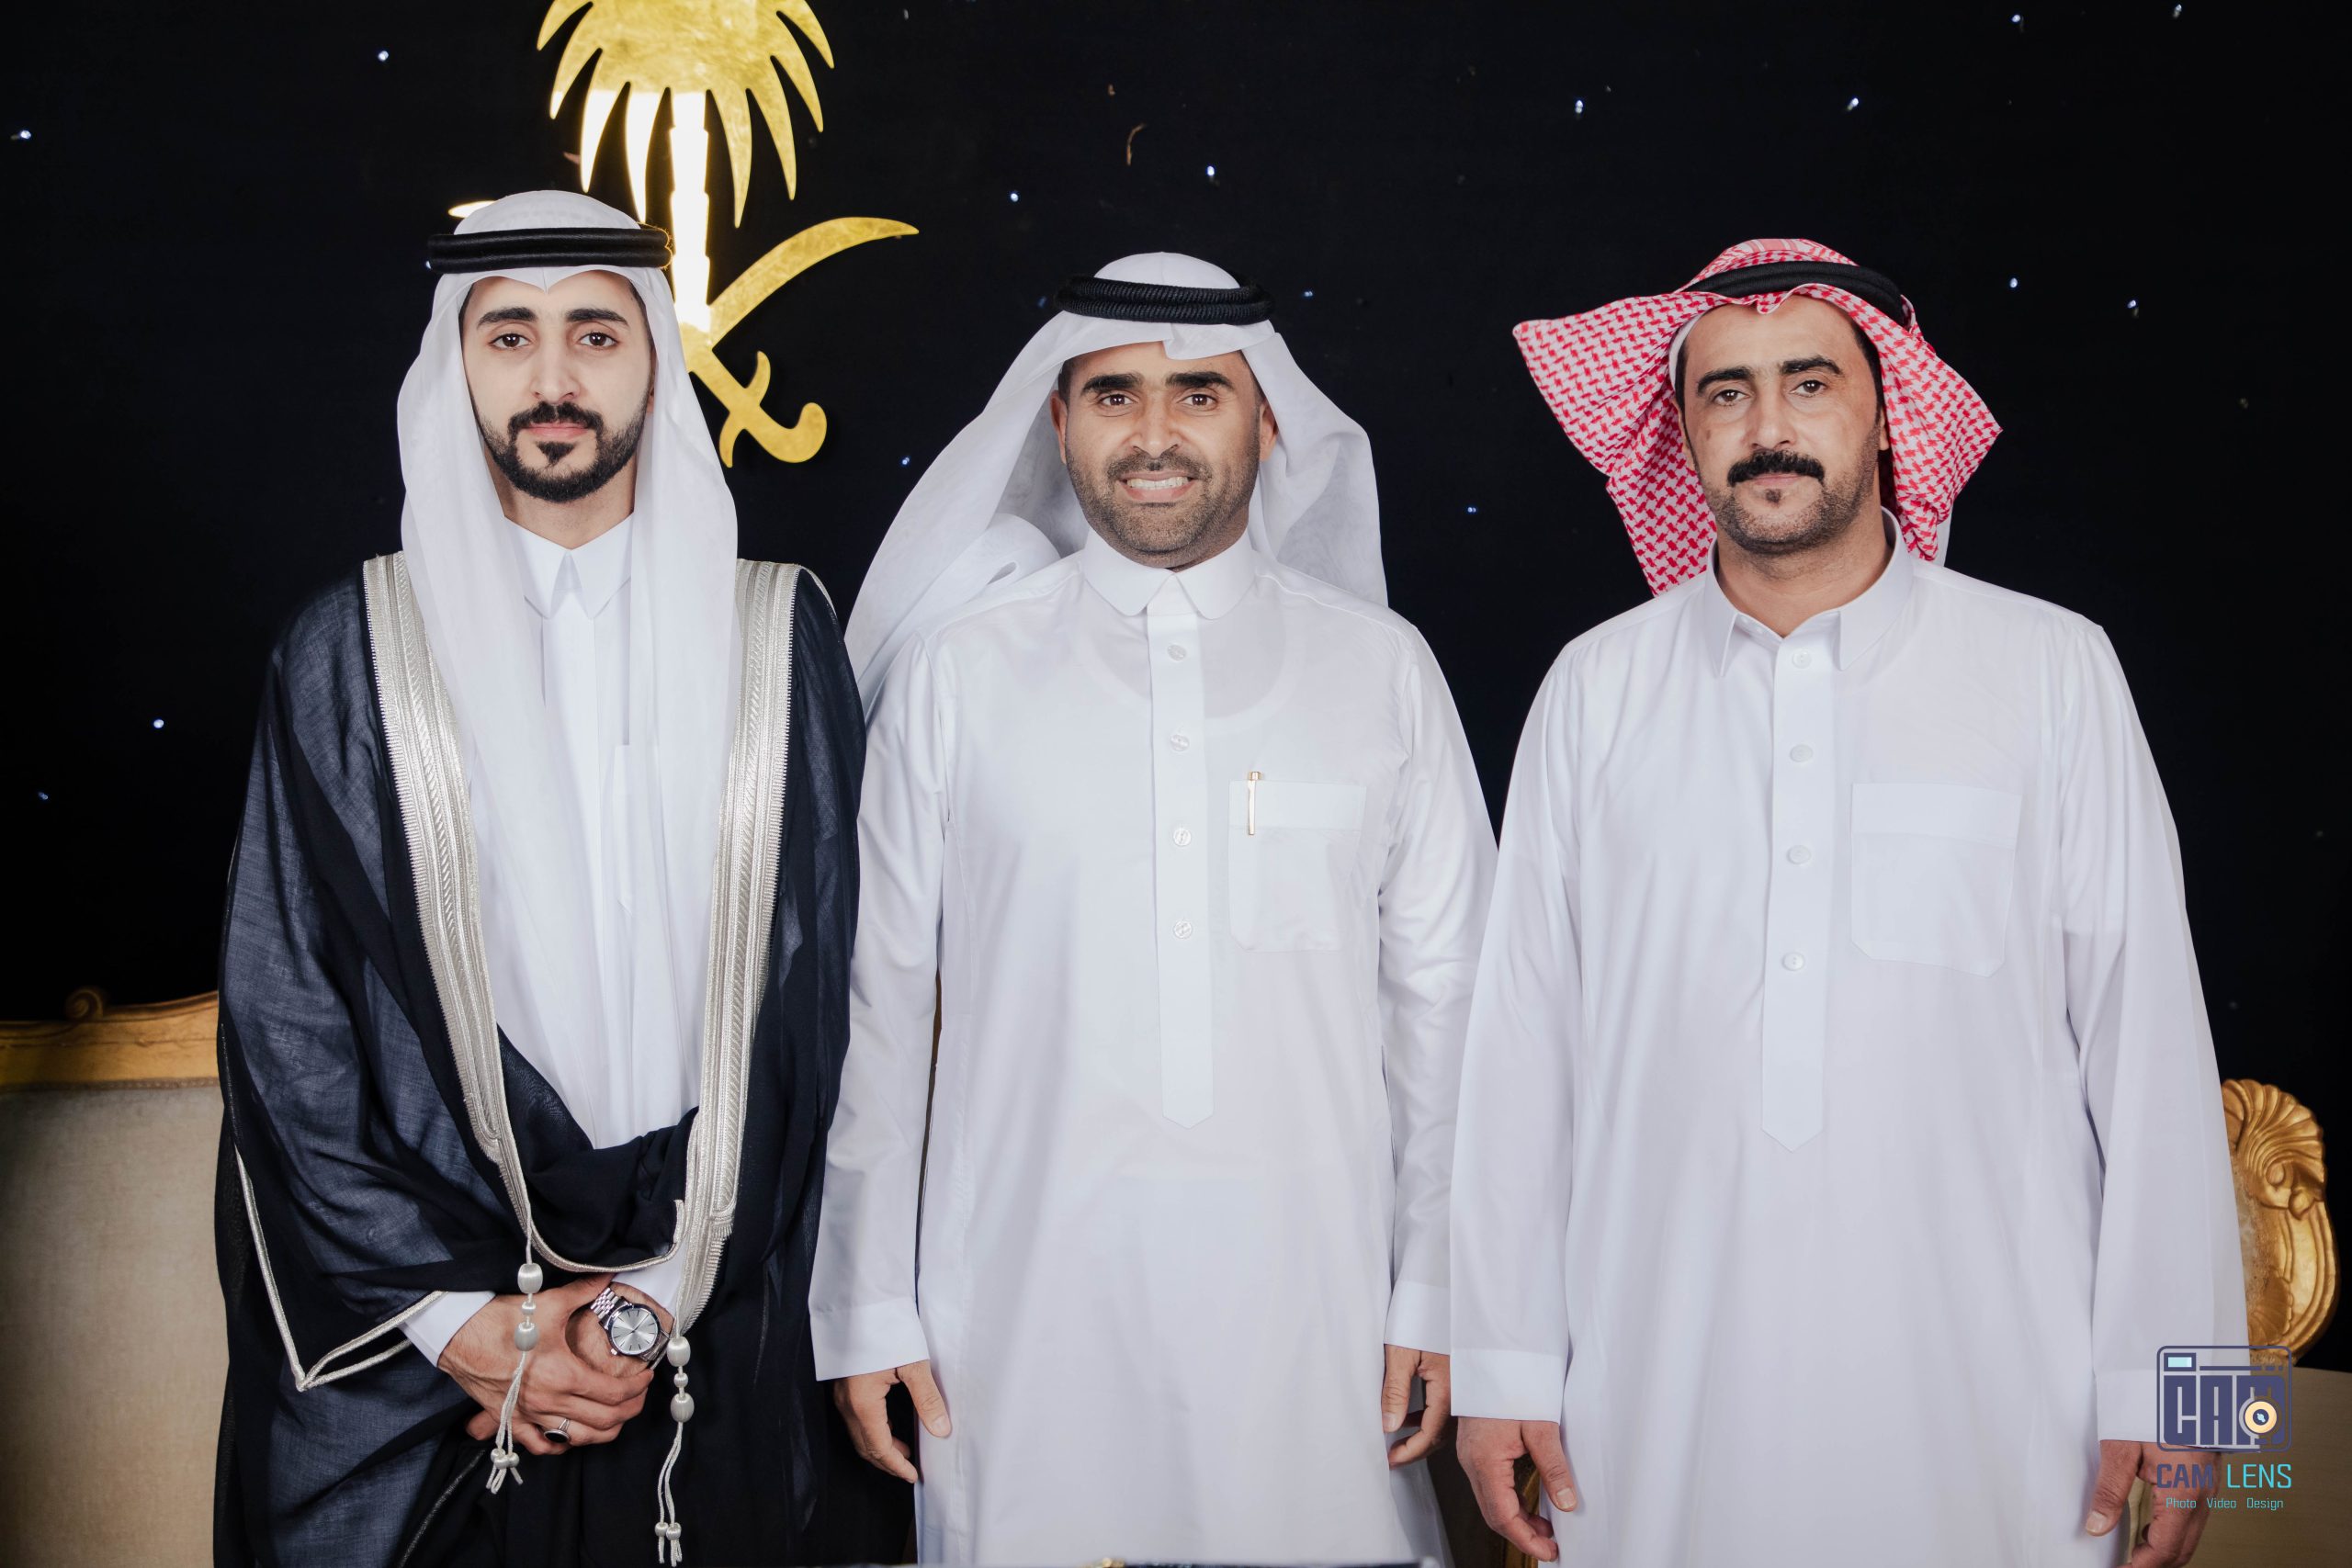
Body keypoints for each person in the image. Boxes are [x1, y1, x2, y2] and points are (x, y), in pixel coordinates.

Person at [1450, 239, 2246, 1568]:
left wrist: (2200, 1403)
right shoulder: (1594, 691)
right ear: (1681, 433)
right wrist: (1500, 1369)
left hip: (2011, 1412)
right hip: (1657, 1398)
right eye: (1725, 392)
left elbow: (2156, 1051)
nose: (1767, 426)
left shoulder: (2052, 668)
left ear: (1886, 414)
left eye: (1809, 382)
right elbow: (1521, 1058)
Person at [213, 189, 901, 1567]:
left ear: (654, 360)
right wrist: (466, 1329)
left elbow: (824, 1001)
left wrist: (647, 1307)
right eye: (508, 336)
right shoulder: (348, 651)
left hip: (713, 1307)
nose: (552, 378)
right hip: (445, 1327)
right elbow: (286, 1016)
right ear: (455, 367)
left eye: (595, 333)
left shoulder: (776, 632)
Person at [813, 254, 1496, 1562]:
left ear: (1268, 421)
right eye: (1115, 395)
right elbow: (878, 1008)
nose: (1155, 434)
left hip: (1326, 1324)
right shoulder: (962, 672)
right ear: (1059, 420)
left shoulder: (1380, 671)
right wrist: (865, 1304)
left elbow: (1451, 1013)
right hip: (1013, 1324)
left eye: (1199, 394)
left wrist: (1442, 1284)